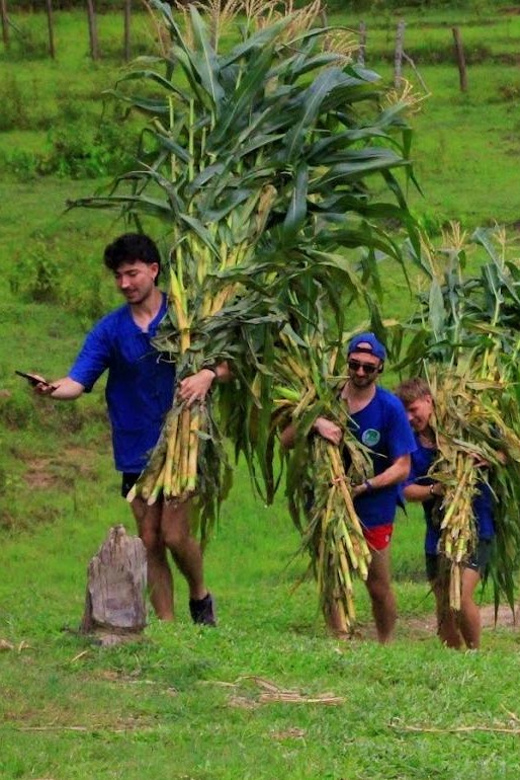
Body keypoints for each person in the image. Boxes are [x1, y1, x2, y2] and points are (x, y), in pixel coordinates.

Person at [33, 233, 227, 625]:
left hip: (184, 442)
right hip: (134, 445)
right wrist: (53, 390)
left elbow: (230, 363)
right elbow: (78, 381)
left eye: (132, 274)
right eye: (119, 276)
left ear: (154, 271)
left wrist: (207, 374)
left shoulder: (186, 316)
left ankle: (200, 596)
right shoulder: (109, 330)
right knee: (149, 539)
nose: (125, 284)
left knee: (174, 534)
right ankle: (169, 627)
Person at [281, 333, 416, 643]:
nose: (359, 373)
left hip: (373, 505)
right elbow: (286, 440)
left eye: (368, 368)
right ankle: (339, 639)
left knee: (378, 585)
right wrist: (315, 422)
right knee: (332, 577)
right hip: (327, 500)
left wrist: (366, 485)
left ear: (380, 368)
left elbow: (402, 467)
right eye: (354, 364)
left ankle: (387, 644)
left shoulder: (389, 408)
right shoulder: (323, 398)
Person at [395, 377, 495, 650]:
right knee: (443, 603)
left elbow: (510, 451)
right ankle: (452, 660)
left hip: (475, 527)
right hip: (438, 533)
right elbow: (405, 488)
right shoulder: (410, 446)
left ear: (429, 400)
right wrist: (435, 490)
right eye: (404, 413)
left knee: (460, 596)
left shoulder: (466, 427)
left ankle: (476, 656)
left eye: (414, 409)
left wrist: (491, 457)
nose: (410, 417)